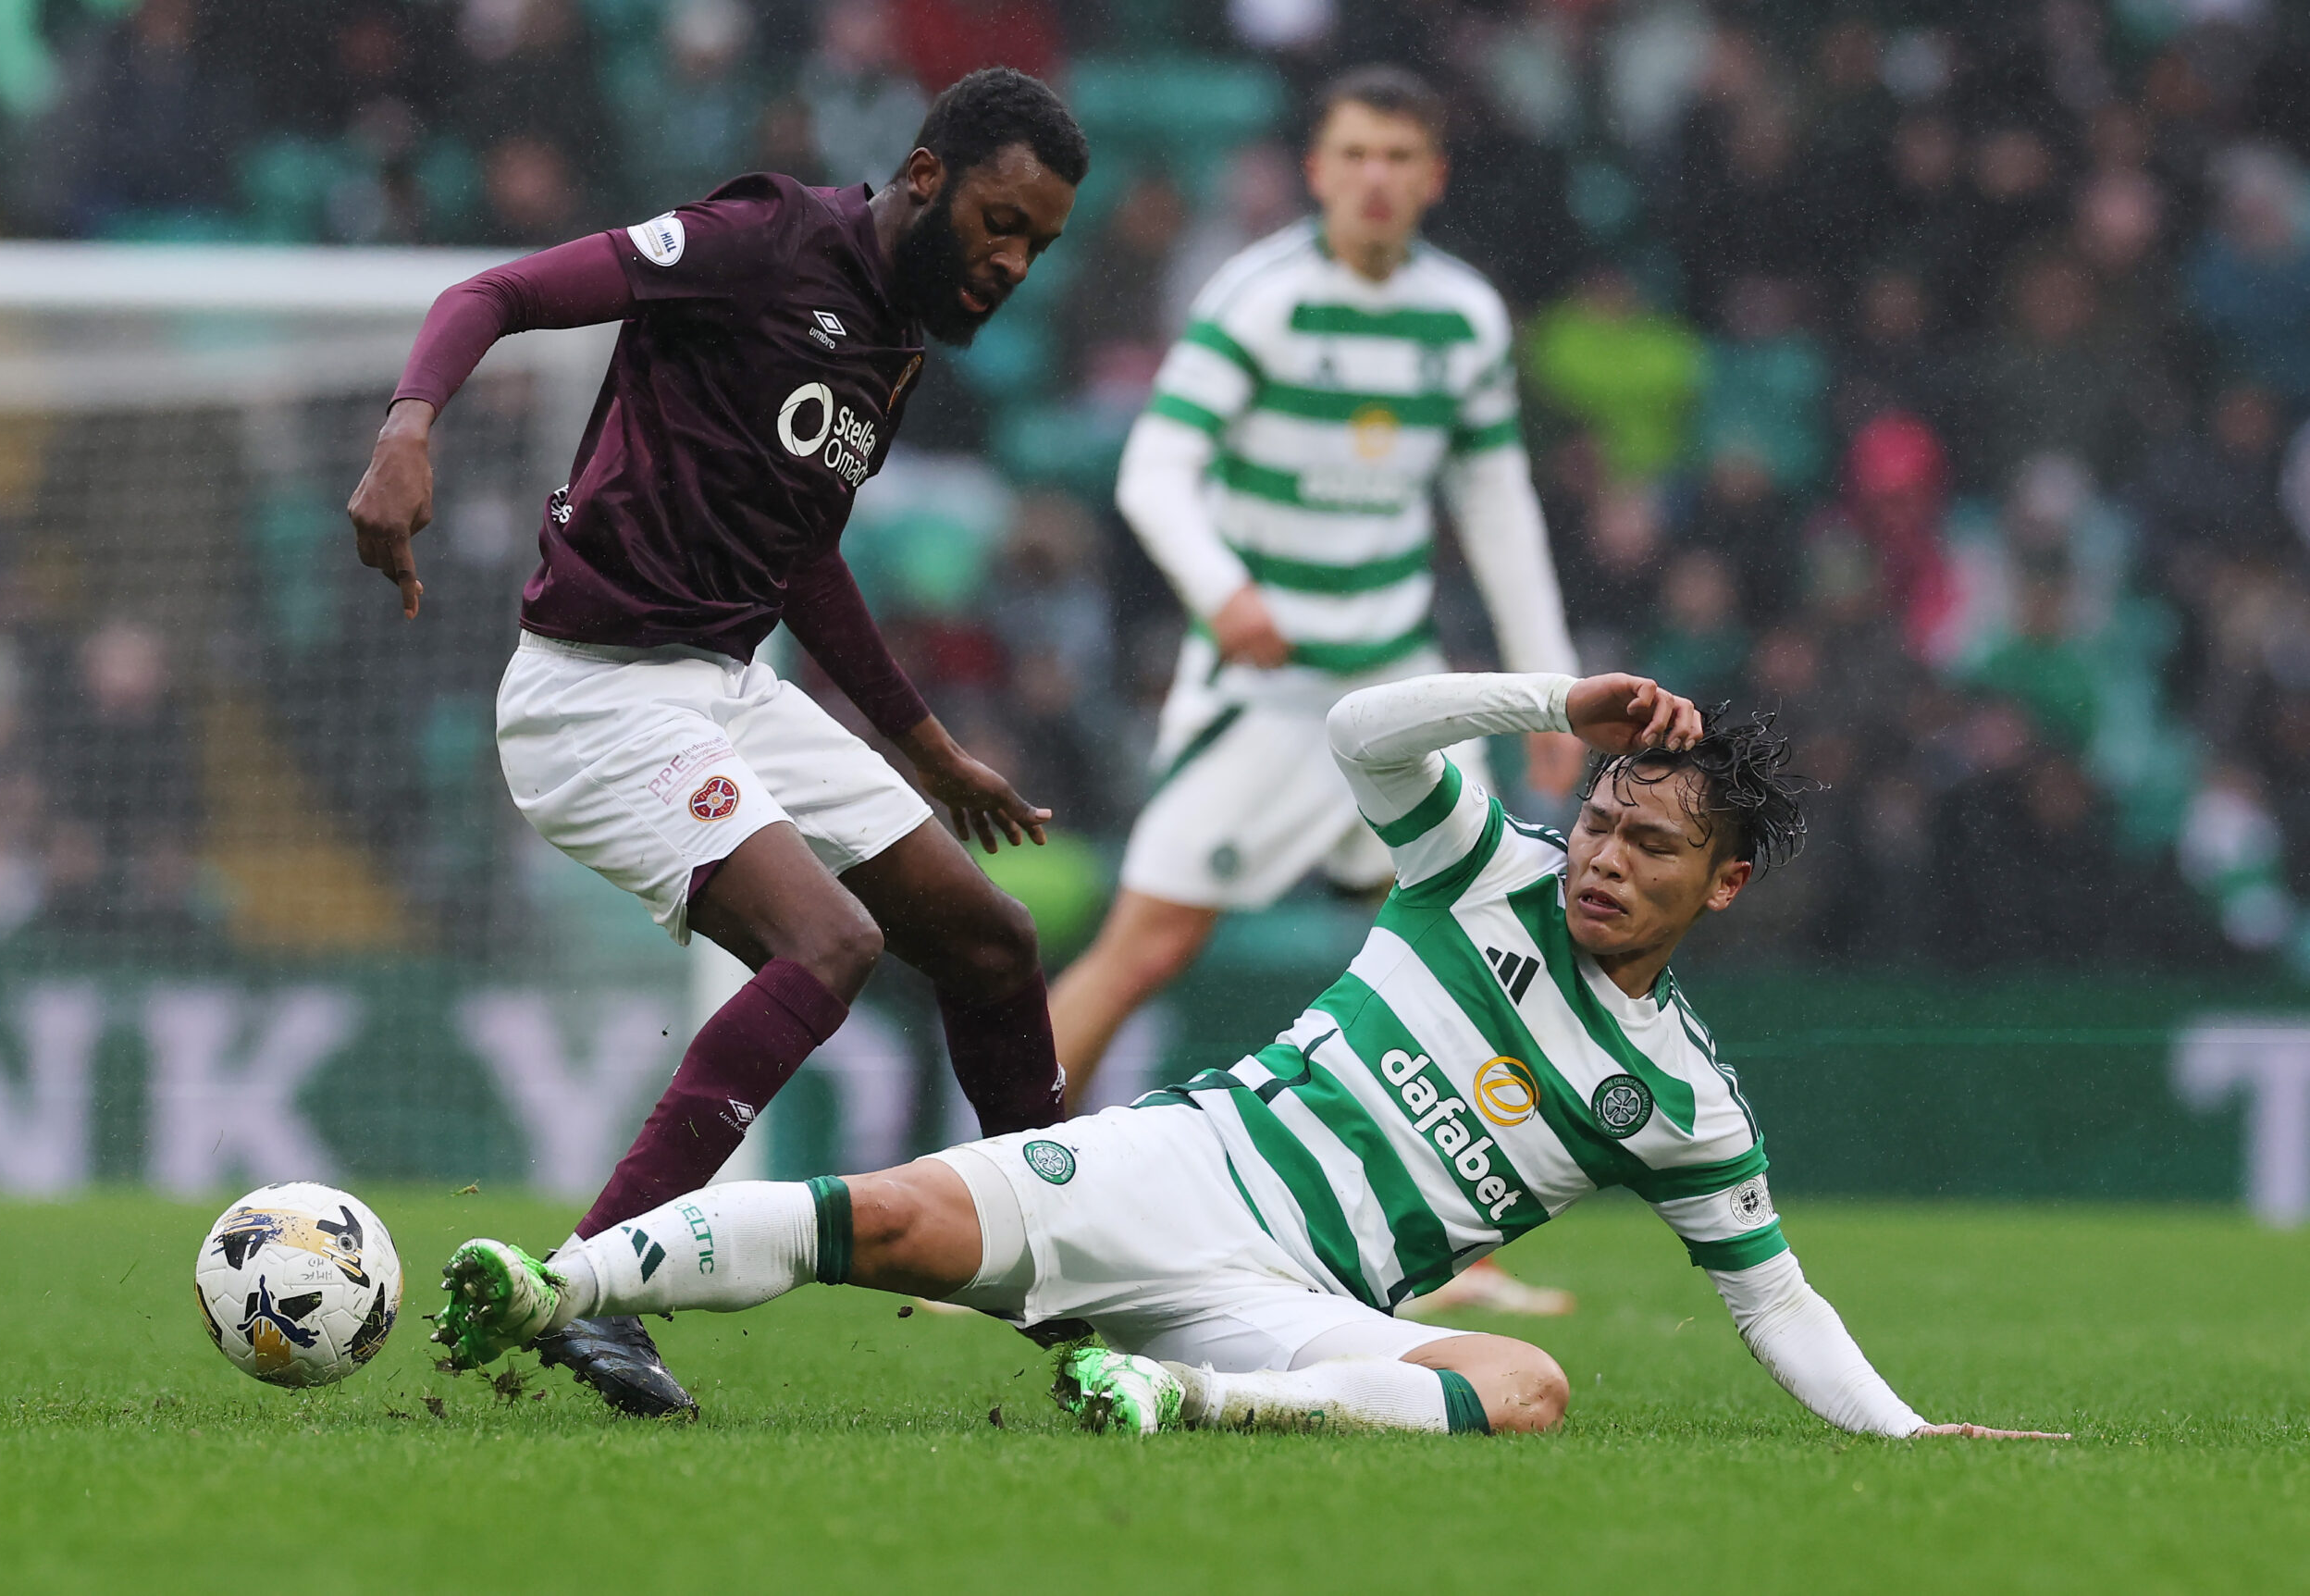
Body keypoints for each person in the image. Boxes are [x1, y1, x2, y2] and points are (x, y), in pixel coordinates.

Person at [431, 671, 2063, 1444]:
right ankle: (556, 1283)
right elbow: (1359, 733)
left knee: (1530, 1389)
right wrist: (1546, 700)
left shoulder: (1686, 1101)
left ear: (1726, 888)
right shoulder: (1478, 864)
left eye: (1650, 845)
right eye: (1603, 815)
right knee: (889, 1216)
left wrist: (1908, 1438)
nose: (1603, 854)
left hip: (1294, 1304)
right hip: (1180, 1166)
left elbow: (1771, 1295)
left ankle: (1176, 1396)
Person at [345, 68, 1087, 1419]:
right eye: (997, 221)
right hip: (594, 694)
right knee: (834, 944)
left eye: (1036, 244)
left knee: (992, 941)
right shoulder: (756, 245)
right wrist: (408, 433)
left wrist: (926, 747)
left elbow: (802, 558)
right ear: (923, 177)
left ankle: (1072, 1285)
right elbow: (490, 297)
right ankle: (589, 1287)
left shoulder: (894, 341)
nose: (1011, 261)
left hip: (727, 685)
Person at [1046, 65, 1581, 1317]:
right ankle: (1006, 1179)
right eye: (1355, 154)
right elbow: (1157, 466)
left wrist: (1545, 687)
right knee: (1149, 943)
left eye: (1400, 155)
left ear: (1433, 175)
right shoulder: (1261, 298)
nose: (1377, 177)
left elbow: (1495, 506)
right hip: (1266, 693)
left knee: (1460, 951)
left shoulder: (1465, 318)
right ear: (1318, 169)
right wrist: (1221, 585)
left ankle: (1450, 1251)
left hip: (1400, 688)